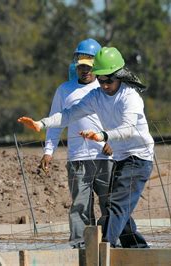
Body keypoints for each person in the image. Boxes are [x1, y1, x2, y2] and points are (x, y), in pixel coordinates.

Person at [18, 47, 154, 248]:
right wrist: (42, 124)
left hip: (139, 157)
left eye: (109, 80)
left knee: (115, 206)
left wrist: (102, 136)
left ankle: (104, 248)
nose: (105, 85)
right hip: (120, 158)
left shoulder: (129, 97)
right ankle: (138, 250)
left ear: (120, 76)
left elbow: (129, 129)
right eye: (101, 80)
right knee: (118, 208)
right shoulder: (96, 96)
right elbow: (69, 114)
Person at [38, 38, 114, 249]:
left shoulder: (106, 87)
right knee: (80, 205)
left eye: (89, 67)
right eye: (81, 66)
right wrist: (48, 152)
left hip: (105, 157)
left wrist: (113, 140)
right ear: (76, 65)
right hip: (78, 159)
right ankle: (80, 246)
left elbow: (119, 119)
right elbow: (55, 123)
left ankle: (108, 241)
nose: (85, 71)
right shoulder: (64, 90)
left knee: (109, 203)